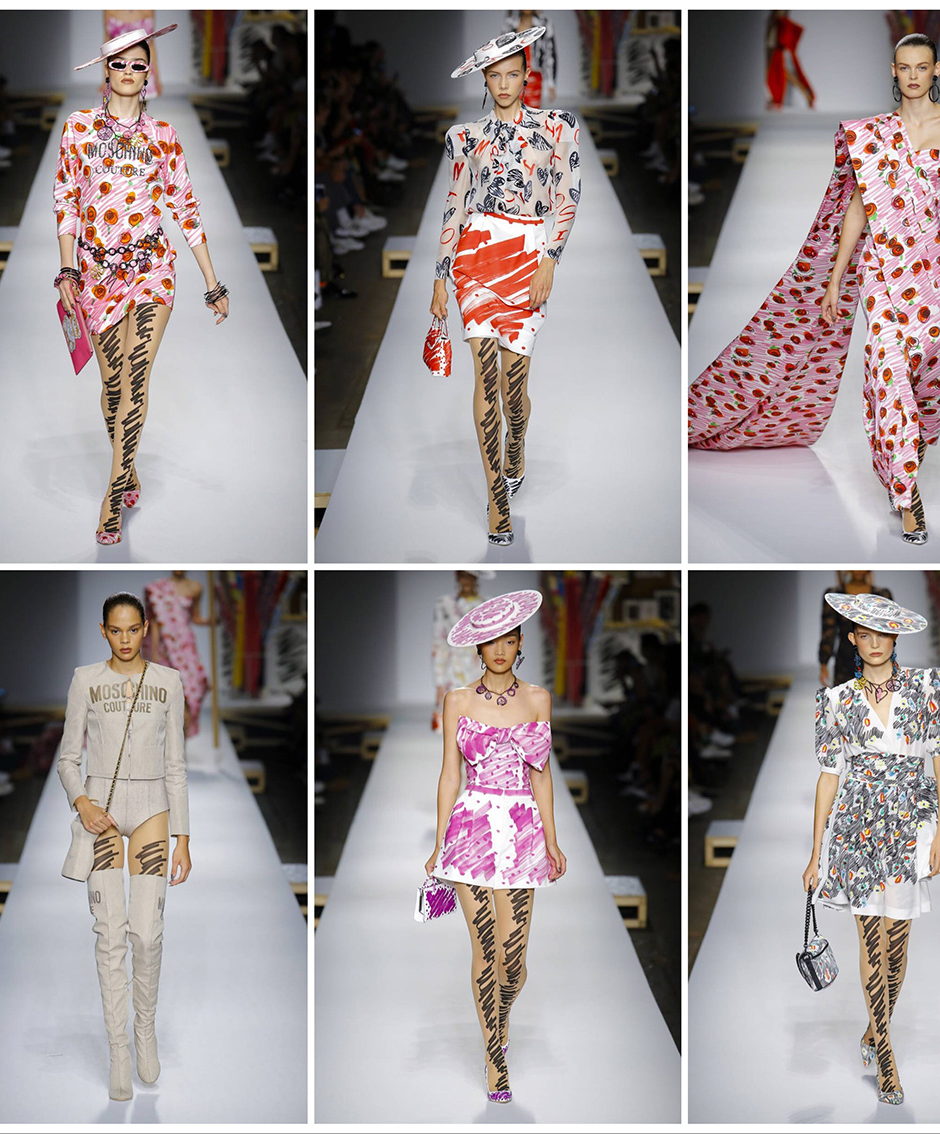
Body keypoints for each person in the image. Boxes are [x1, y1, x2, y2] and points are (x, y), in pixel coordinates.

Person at [689, 33, 940, 545]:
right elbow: (857, 207)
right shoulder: (872, 135)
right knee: (890, 367)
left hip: (934, 265)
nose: (914, 76)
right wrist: (837, 279)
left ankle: (908, 447)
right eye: (905, 67)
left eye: (922, 66)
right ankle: (906, 493)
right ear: (894, 71)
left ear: (937, 70)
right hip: (883, 268)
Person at [52, 24, 231, 545]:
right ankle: (128, 470)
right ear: (105, 70)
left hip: (153, 269)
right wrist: (67, 270)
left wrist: (213, 282)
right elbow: (65, 199)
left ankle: (113, 494)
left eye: (138, 64)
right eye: (120, 63)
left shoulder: (164, 136)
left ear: (148, 73)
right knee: (112, 388)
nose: (129, 72)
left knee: (135, 379)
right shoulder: (79, 128)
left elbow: (186, 208)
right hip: (95, 276)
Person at [429, 28, 581, 546]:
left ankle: (517, 443)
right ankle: (496, 496)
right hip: (475, 256)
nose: (503, 84)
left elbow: (568, 197)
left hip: (528, 255)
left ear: (526, 75)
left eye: (512, 74)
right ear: (484, 80)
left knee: (515, 392)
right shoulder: (465, 137)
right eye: (494, 76)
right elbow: (454, 204)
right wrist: (440, 277)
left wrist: (550, 261)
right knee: (484, 377)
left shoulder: (558, 128)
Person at [801, 592, 940, 1106]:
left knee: (897, 947)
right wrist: (816, 852)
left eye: (883, 634)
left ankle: (873, 1026)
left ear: (896, 636)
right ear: (852, 639)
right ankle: (886, 1056)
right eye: (864, 635)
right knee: (871, 943)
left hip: (909, 827)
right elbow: (828, 776)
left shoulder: (928, 686)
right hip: (857, 830)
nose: (874, 643)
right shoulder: (836, 700)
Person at [424, 590, 566, 1103]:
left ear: (521, 642)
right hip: (471, 834)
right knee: (485, 951)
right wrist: (439, 843)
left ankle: (500, 1021)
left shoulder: (538, 699)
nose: (501, 650)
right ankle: (495, 1055)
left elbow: (541, 775)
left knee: (514, 960)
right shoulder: (458, 701)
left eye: (509, 639)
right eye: (491, 642)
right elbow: (449, 774)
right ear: (478, 649)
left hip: (523, 834)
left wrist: (552, 840)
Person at [57, 591, 191, 1101]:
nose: (126, 639)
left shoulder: (168, 682)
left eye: (133, 629)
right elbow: (68, 757)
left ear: (146, 628)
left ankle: (144, 1031)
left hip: (153, 807)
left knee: (147, 934)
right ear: (103, 631)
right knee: (110, 934)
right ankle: (118, 1050)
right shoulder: (85, 680)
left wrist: (183, 837)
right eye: (116, 630)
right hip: (104, 815)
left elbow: (176, 763)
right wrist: (82, 803)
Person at [144, 570, 210, 737]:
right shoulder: (159, 589)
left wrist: (213, 621)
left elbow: (195, 617)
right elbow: (155, 622)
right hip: (165, 647)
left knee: (193, 687)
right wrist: (154, 653)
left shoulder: (195, 588)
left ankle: (183, 734)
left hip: (186, 646)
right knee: (167, 692)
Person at [431, 570, 488, 731]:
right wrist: (439, 681)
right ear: (457, 577)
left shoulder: (487, 604)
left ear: (477, 577)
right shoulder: (444, 603)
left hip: (479, 665)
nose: (466, 580)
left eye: (470, 576)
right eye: (463, 575)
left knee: (479, 724)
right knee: (453, 725)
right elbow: (439, 641)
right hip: (453, 666)